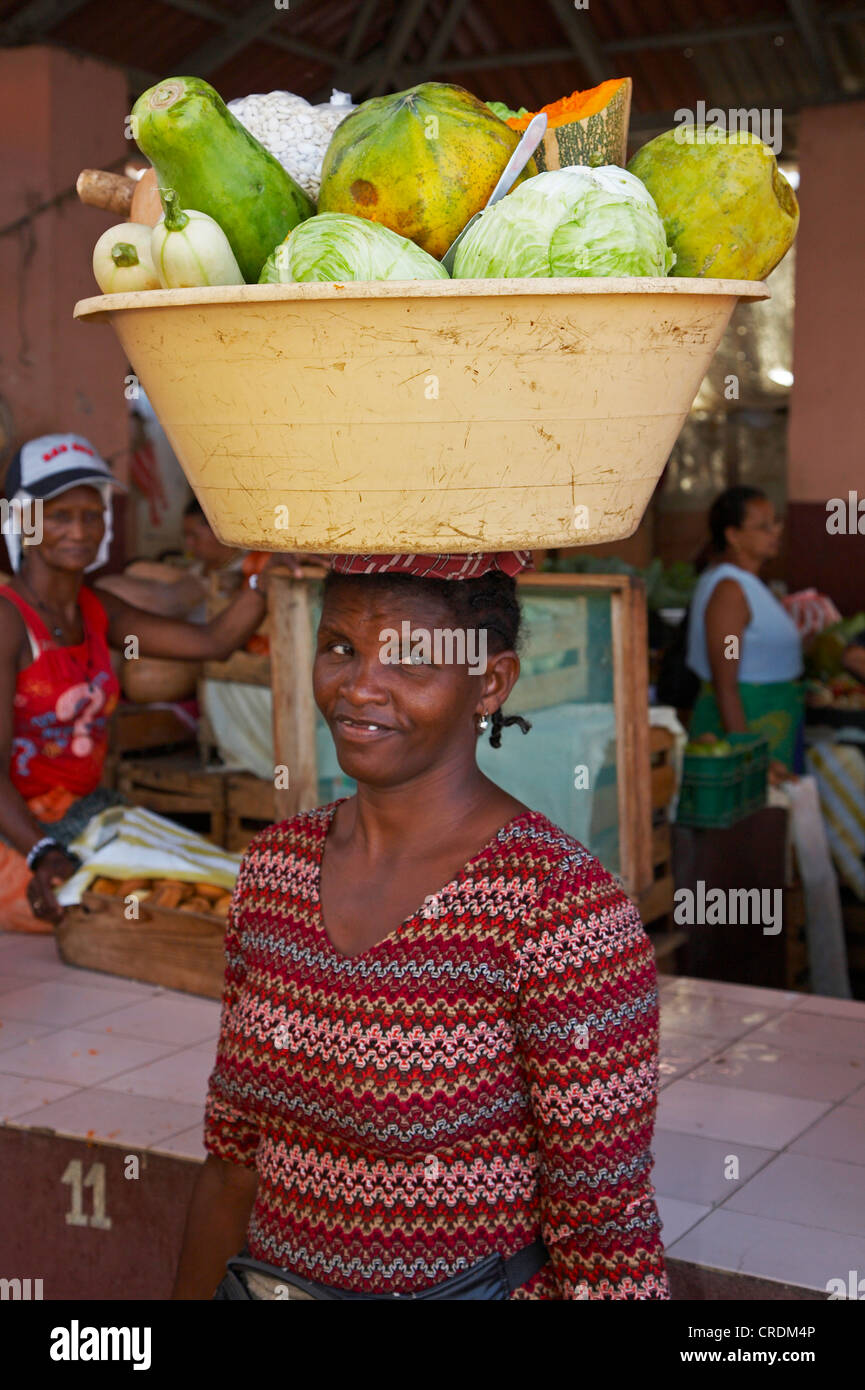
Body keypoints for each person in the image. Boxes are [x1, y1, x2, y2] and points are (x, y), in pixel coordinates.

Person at [173, 550, 669, 1301]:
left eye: (410, 658)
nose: (359, 685)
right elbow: (233, 1155)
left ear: (490, 684)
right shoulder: (274, 870)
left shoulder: (561, 910)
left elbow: (602, 1231)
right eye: (340, 647)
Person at [0, 433, 299, 933]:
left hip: (85, 816)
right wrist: (41, 853)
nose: (79, 530)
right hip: (18, 835)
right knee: (154, 907)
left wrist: (260, 582)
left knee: (222, 875)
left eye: (91, 515)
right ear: (24, 522)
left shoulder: (99, 610)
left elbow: (211, 642)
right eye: (58, 515)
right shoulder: (9, 621)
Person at [685, 486, 804, 786]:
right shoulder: (730, 591)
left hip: (771, 722)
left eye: (776, 523)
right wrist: (748, 755)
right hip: (745, 725)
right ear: (733, 535)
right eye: (763, 526)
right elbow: (726, 679)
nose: (775, 531)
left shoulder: (746, 584)